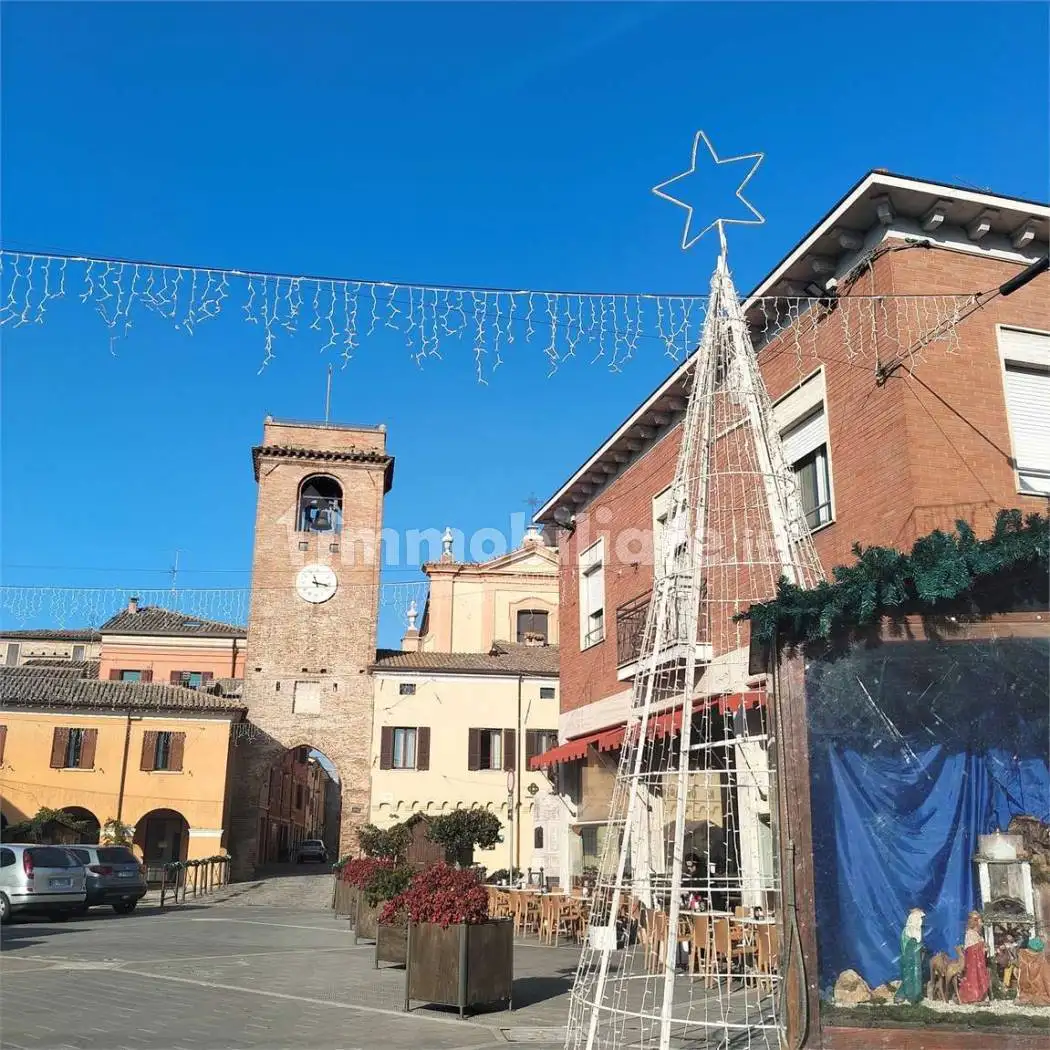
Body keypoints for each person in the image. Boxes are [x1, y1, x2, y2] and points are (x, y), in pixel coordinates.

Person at [957, 911, 991, 1004]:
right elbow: (970, 949)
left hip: (979, 961)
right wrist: (981, 945)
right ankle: (973, 997)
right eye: (979, 921)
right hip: (973, 962)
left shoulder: (977, 934)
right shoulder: (970, 933)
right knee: (973, 977)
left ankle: (981, 996)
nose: (980, 924)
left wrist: (984, 947)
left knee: (980, 976)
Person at [895, 908, 925, 1004]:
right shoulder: (910, 931)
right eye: (919, 919)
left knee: (914, 973)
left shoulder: (916, 930)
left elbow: (918, 943)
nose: (920, 921)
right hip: (910, 959)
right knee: (909, 973)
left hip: (915, 959)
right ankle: (909, 994)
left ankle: (914, 994)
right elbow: (909, 945)